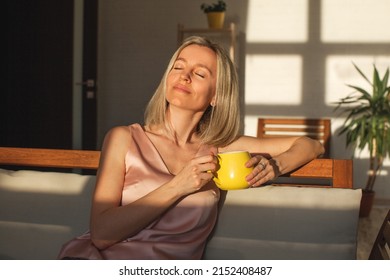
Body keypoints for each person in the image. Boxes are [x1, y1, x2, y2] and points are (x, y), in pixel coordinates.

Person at [58, 36, 324, 260]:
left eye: (199, 73)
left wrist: (276, 165)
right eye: (178, 67)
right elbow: (102, 234)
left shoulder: (221, 149)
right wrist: (179, 185)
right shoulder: (123, 138)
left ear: (216, 96)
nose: (184, 76)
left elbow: (311, 145)